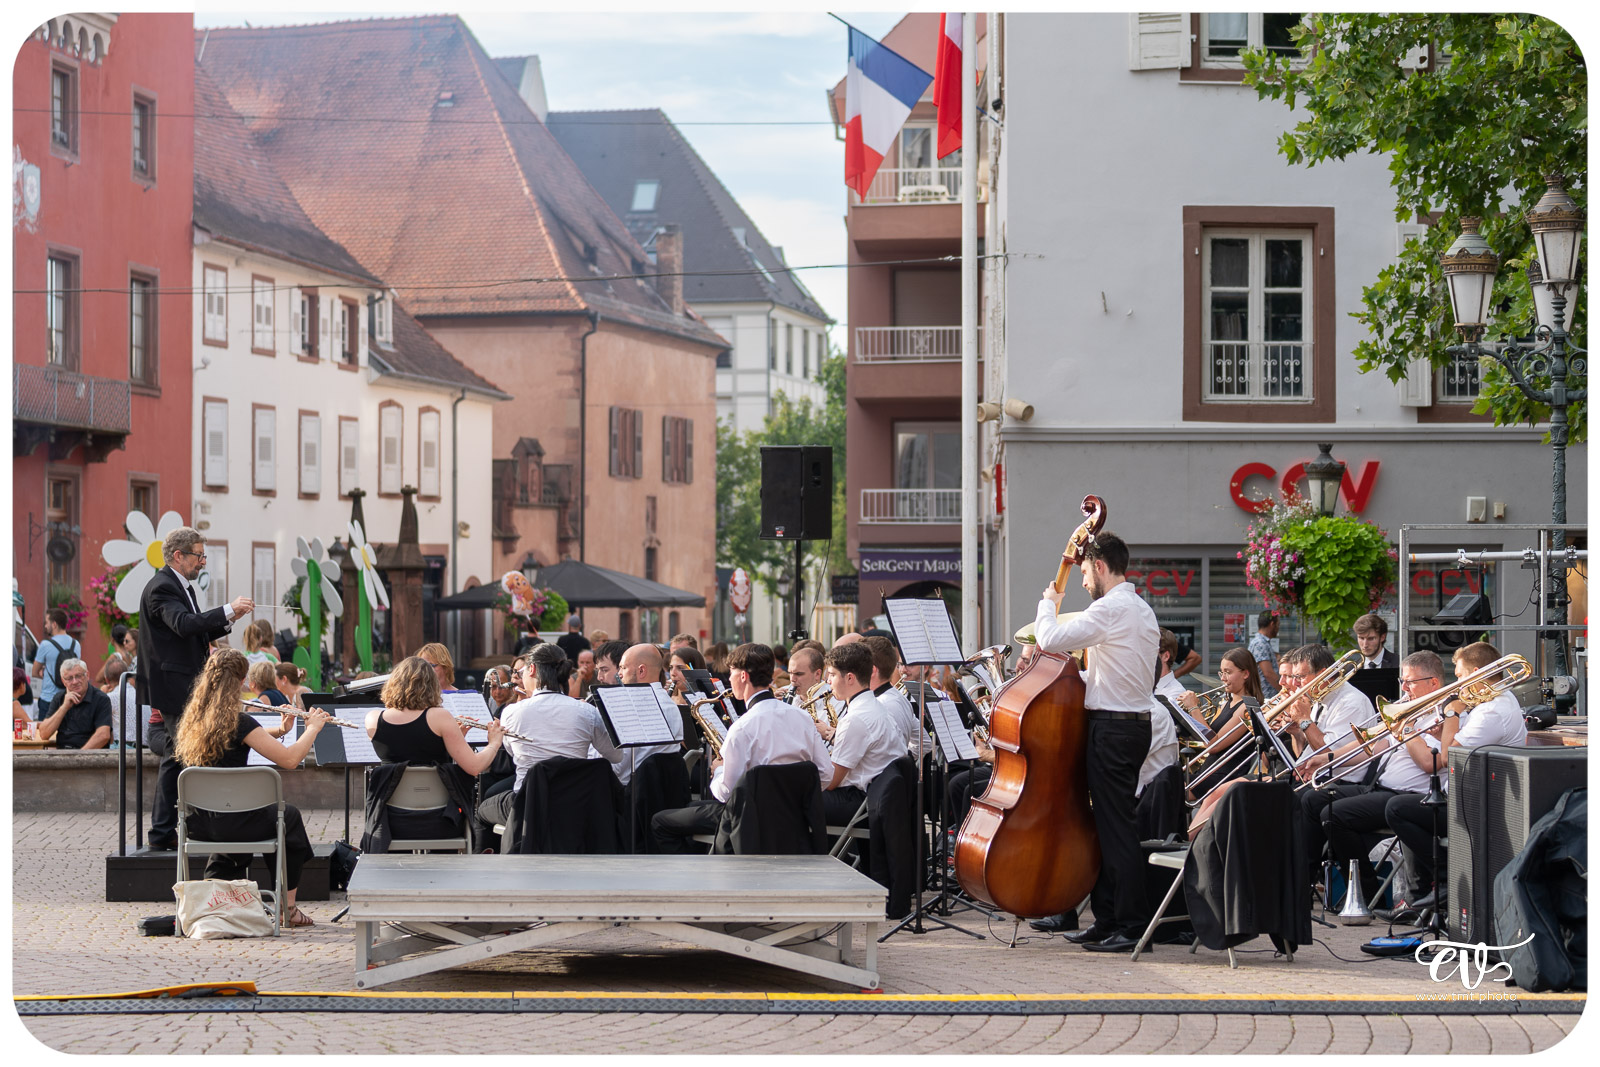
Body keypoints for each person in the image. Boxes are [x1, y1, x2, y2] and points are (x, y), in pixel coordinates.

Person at [1033, 531, 1160, 954]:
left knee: (1116, 829)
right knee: (1108, 827)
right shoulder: (1139, 609)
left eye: (1085, 572)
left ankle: (1130, 924)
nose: (1084, 581)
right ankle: (1107, 919)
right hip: (1127, 725)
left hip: (1114, 730)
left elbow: (1049, 639)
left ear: (1101, 567)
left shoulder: (1111, 608)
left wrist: (1049, 603)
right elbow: (1111, 677)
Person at [172, 649, 328, 927]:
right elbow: (290, 760)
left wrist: (279, 731)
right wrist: (313, 729)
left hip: (200, 823)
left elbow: (240, 738)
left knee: (245, 817)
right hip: (236, 822)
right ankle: (287, 909)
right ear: (242, 681)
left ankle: (215, 902)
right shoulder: (239, 721)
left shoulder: (193, 722)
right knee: (288, 818)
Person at [1379, 643, 1527, 914]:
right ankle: (1421, 897)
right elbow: (1456, 745)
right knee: (1410, 807)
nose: (1457, 683)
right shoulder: (1490, 704)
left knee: (1398, 809)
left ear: (1477, 673)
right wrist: (1440, 733)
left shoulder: (1492, 710)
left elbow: (1449, 756)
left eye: (1460, 676)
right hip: (1468, 795)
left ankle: (1449, 877)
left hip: (1478, 805)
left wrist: (1451, 713)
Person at [651, 643, 832, 853]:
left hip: (749, 820)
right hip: (794, 819)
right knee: (692, 809)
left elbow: (724, 793)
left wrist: (718, 768)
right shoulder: (802, 717)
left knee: (660, 822)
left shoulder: (743, 727)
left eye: (732, 672)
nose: (729, 679)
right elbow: (826, 773)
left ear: (744, 676)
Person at [138, 526, 254, 851]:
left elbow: (196, 629)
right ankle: (198, 829)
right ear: (179, 555)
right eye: (199, 555)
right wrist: (228, 609)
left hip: (183, 684)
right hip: (176, 687)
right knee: (191, 755)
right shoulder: (162, 587)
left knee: (176, 757)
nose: (203, 562)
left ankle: (162, 833)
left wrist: (230, 618)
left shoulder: (179, 585)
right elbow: (184, 625)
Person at [476, 644, 621, 832]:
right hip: (575, 803)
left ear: (533, 669)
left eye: (523, 671)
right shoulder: (587, 711)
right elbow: (617, 756)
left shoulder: (512, 712)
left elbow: (512, 753)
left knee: (481, 811)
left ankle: (489, 856)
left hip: (527, 803)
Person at [819, 643, 905, 826]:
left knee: (792, 802)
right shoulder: (877, 706)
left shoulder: (856, 719)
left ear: (850, 678)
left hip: (861, 804)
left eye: (832, 675)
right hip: (874, 800)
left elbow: (832, 781)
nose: (828, 681)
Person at [606, 643, 685, 787]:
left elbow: (618, 768)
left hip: (631, 796)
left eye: (623, 667)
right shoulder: (670, 704)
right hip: (663, 795)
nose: (619, 674)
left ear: (641, 670)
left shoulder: (631, 706)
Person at [36, 658, 113, 749]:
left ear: (87, 675)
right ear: (63, 681)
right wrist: (64, 707)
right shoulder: (59, 698)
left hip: (90, 757)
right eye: (69, 678)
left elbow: (103, 735)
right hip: (63, 755)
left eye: (78, 676)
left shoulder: (101, 699)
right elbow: (44, 734)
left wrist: (78, 756)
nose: (75, 682)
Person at [30, 608, 81, 716]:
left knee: (44, 731)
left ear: (54, 624)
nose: (45, 626)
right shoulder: (76, 644)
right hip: (69, 698)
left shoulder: (45, 645)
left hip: (48, 699)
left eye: (46, 622)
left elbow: (34, 672)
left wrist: (44, 674)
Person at [1248, 611, 1281, 701]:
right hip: (1265, 698)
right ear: (1272, 624)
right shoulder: (1260, 643)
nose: (1278, 628)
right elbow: (1268, 673)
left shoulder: (1261, 642)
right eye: (1277, 625)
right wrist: (1284, 690)